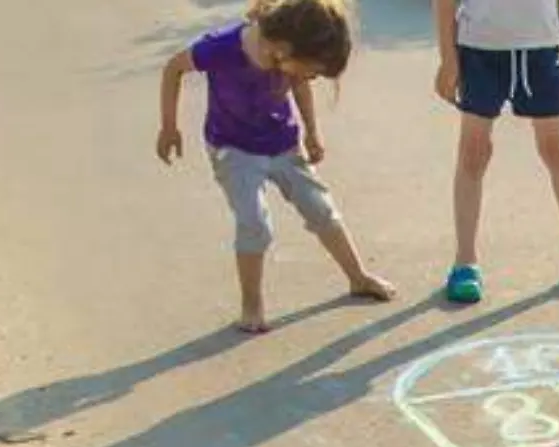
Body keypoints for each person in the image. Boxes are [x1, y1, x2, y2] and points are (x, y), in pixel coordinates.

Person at [157, 0, 395, 333]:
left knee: (320, 208)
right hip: (233, 148)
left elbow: (299, 87)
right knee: (254, 223)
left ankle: (358, 277)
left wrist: (312, 132)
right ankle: (251, 304)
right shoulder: (222, 48)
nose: (311, 77)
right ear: (283, 49)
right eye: (312, 69)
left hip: (283, 143)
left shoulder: (289, 57)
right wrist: (169, 126)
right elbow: (173, 68)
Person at [434, 0, 559, 303]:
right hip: (478, 49)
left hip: (540, 47)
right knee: (473, 152)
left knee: (555, 148)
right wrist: (448, 59)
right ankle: (464, 262)